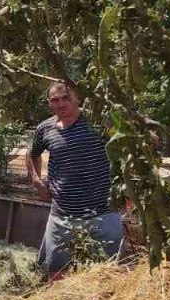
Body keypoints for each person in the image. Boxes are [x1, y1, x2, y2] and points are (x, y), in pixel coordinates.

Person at [25, 80, 124, 275]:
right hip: (62, 217)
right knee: (55, 272)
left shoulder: (98, 123)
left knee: (107, 274)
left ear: (77, 98)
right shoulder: (45, 129)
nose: (61, 104)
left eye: (66, 98)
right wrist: (36, 180)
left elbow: (126, 142)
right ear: (49, 103)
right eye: (55, 100)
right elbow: (32, 153)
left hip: (103, 213)